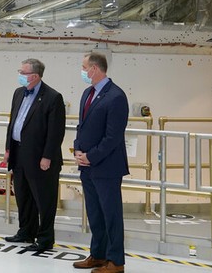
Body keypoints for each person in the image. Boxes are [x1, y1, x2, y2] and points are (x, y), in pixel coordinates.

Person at [73, 52, 129, 273]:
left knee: (111, 215)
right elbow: (82, 126)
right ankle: (98, 255)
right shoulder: (88, 93)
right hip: (87, 167)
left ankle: (116, 261)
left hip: (106, 167)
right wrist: (78, 148)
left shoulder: (116, 96)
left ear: (94, 69)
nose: (83, 71)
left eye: (84, 67)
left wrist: (91, 156)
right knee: (95, 214)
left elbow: (113, 137)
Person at [3, 58, 66, 252]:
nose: (20, 75)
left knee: (44, 199)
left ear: (35, 76)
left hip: (41, 158)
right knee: (23, 195)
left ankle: (45, 238)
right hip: (19, 153)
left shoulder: (53, 97)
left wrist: (47, 156)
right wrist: (8, 149)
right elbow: (12, 122)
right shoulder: (18, 93)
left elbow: (56, 132)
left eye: (23, 72)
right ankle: (26, 232)